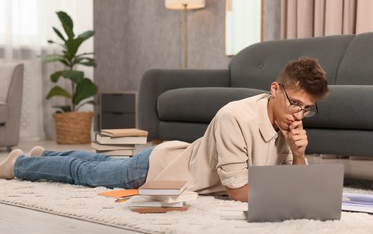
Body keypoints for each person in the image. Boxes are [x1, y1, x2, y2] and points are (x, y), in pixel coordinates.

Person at [0, 56, 329, 202]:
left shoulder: (288, 123)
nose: (299, 114)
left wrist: (299, 154)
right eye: (295, 102)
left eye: (307, 108)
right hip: (161, 173)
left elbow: (293, 182)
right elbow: (239, 193)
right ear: (275, 88)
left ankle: (44, 154)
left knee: (99, 164)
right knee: (86, 172)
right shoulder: (237, 118)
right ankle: (20, 164)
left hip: (174, 155)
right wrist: (288, 186)